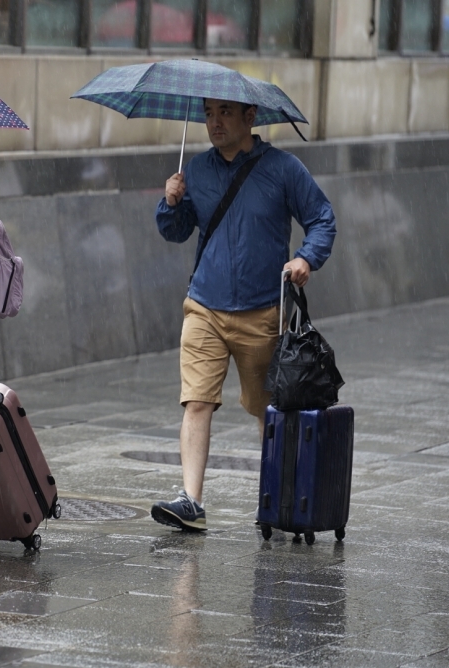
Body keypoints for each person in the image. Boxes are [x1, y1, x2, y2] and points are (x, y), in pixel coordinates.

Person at [150, 98, 336, 531]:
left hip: (262, 313)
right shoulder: (196, 170)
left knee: (266, 410)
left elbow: (322, 218)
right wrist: (171, 203)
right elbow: (176, 233)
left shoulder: (284, 169)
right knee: (196, 402)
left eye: (225, 113)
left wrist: (306, 258)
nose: (214, 122)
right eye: (208, 113)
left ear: (250, 118)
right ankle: (190, 500)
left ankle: (277, 498)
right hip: (204, 307)